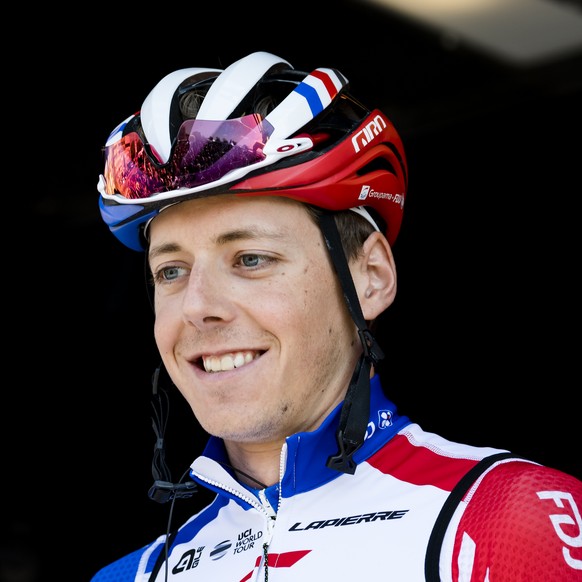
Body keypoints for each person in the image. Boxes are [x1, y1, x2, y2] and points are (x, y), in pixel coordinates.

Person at [91, 51, 582, 581]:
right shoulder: (130, 576)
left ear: (370, 276)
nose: (197, 307)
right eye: (171, 271)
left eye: (251, 259)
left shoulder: (503, 520)